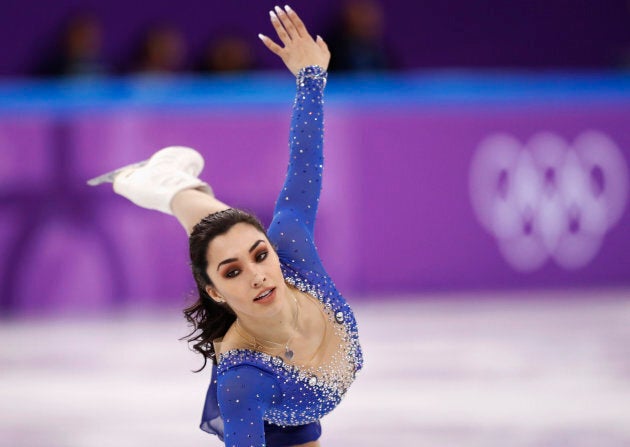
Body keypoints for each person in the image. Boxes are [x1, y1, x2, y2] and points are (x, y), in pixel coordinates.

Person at [88, 5, 362, 447]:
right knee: (216, 231)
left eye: (260, 255)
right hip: (277, 407)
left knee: (218, 226)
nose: (257, 275)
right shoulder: (243, 380)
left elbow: (305, 167)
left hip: (294, 395)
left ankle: (167, 182)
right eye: (233, 273)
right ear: (214, 292)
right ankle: (163, 183)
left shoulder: (290, 248)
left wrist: (311, 77)